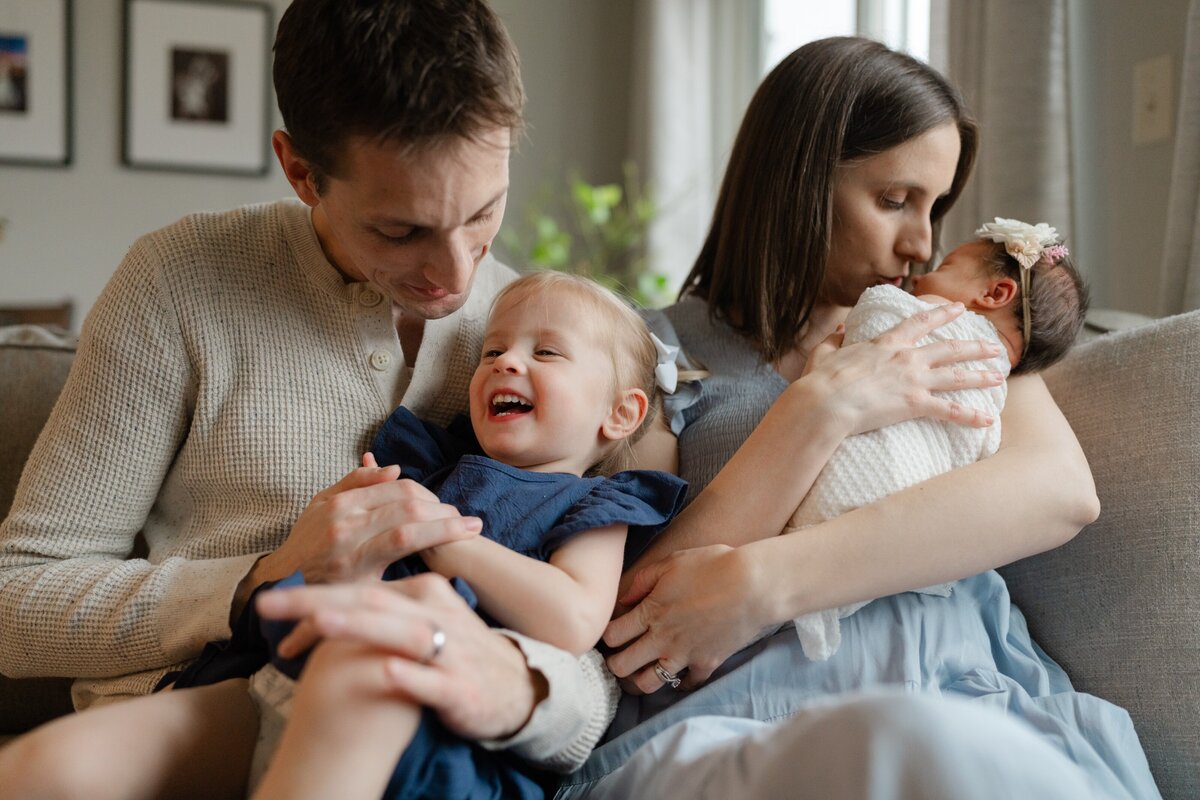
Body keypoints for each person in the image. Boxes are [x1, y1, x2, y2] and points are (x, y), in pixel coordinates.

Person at [237, 38, 1159, 800]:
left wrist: (766, 581)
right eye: (892, 200)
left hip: (971, 682)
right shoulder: (648, 352)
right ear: (799, 180)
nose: (920, 241)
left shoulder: (950, 331)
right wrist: (819, 406)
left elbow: (1055, 494)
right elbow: (644, 605)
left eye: (936, 208)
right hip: (756, 715)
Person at [0, 0, 629, 795]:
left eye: (483, 213)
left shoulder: (537, 341)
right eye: (400, 232)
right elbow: (13, 606)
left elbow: (606, 641)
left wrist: (513, 683)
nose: (458, 277)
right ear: (300, 170)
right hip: (205, 711)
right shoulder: (179, 280)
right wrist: (260, 576)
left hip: (418, 718)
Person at [0, 271, 688, 799]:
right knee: (46, 767)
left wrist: (450, 543)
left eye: (546, 353)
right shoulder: (434, 462)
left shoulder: (596, 503)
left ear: (622, 413)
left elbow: (573, 619)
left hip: (426, 724)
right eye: (494, 349)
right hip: (280, 677)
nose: (506, 363)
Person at [788, 217, 1090, 661]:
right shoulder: (998, 377)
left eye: (945, 263)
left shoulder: (936, 321)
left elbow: (1070, 494)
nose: (923, 257)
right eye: (893, 202)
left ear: (994, 294)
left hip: (848, 555)